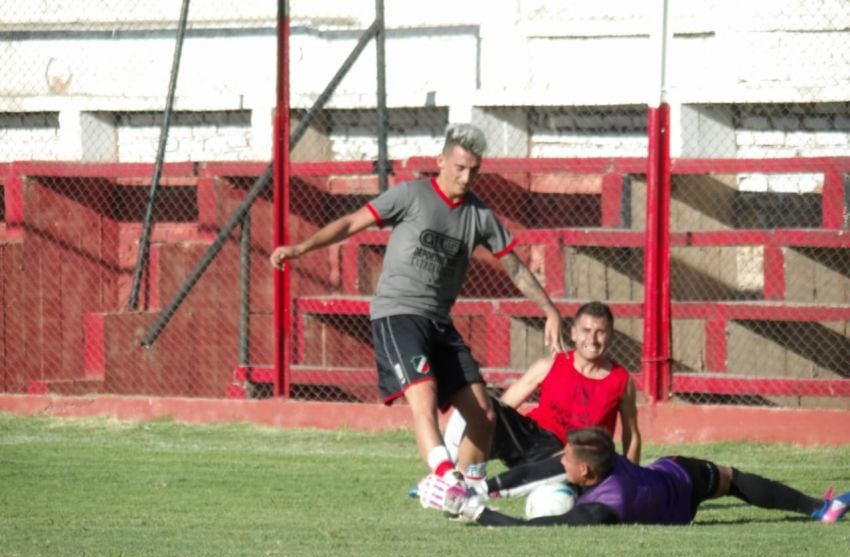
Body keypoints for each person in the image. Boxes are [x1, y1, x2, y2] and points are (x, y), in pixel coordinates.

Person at [270, 124, 565, 486]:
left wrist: (549, 309)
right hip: (399, 314)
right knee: (423, 397)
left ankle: (471, 487)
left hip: (439, 322)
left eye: (474, 169)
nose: (466, 176)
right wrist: (301, 248)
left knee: (484, 413)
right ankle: (445, 480)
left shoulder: (481, 217)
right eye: (459, 167)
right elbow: (351, 222)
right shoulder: (410, 196)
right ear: (441, 161)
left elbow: (516, 268)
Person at [418, 427, 850, 526]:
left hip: (673, 498)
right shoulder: (602, 457)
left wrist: (474, 510)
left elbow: (531, 529)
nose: (560, 460)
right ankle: (820, 508)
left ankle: (819, 508)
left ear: (585, 472)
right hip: (680, 476)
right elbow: (546, 468)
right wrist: (485, 486)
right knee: (731, 479)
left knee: (732, 478)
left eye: (566, 459)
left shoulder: (603, 511)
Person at [443, 301, 640, 482]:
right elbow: (503, 406)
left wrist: (631, 479)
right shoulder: (550, 365)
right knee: (478, 406)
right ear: (573, 333)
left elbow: (631, 435)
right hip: (530, 438)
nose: (592, 339)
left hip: (569, 457)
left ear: (611, 335)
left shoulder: (621, 380)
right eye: (586, 330)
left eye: (600, 332)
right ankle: (449, 477)